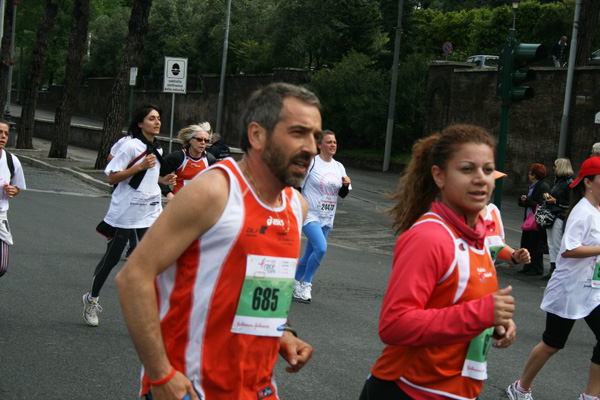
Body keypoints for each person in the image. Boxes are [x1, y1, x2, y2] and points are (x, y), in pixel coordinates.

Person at [115, 82, 320, 400]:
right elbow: (133, 277)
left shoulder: (297, 207)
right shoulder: (214, 191)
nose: (312, 148)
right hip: (192, 389)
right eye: (298, 133)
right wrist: (160, 374)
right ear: (257, 136)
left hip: (257, 390)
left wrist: (284, 333)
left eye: (315, 137)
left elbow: (261, 286)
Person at [359, 124, 516, 400]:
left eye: (488, 170)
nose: (481, 178)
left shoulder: (481, 233)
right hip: (408, 390)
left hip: (457, 392)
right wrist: (480, 314)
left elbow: (459, 306)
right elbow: (394, 324)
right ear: (439, 176)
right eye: (467, 169)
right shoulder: (429, 237)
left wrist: (494, 324)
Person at [507, 156, 600, 400]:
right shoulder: (582, 212)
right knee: (553, 343)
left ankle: (590, 396)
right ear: (589, 182)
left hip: (592, 289)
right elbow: (569, 250)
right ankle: (520, 388)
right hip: (569, 289)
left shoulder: (597, 209)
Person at [82, 104, 176, 327]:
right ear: (140, 123)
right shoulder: (131, 147)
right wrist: (140, 166)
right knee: (112, 258)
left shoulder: (158, 148)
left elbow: (149, 177)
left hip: (149, 210)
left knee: (153, 259)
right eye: (152, 118)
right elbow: (112, 178)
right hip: (126, 210)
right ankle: (91, 299)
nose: (157, 122)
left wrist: (163, 181)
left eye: (159, 118)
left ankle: (151, 311)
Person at [293, 130, 351, 302]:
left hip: (327, 215)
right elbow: (297, 186)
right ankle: (307, 284)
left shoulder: (339, 167)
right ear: (319, 145)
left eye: (335, 142)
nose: (333, 145)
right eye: (329, 142)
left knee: (311, 252)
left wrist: (346, 185)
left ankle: (294, 282)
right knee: (321, 247)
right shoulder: (311, 163)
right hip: (309, 214)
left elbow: (342, 194)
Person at [483, 170, 531, 266]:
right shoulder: (454, 214)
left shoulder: (493, 211)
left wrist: (514, 255)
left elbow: (497, 246)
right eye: (489, 181)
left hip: (487, 278)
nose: (493, 186)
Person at [161, 122, 216, 201]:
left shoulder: (210, 159)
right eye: (199, 139)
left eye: (206, 140)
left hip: (199, 204)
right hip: (180, 203)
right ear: (190, 140)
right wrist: (168, 193)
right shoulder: (179, 157)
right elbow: (159, 174)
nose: (203, 143)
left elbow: (215, 182)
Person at [0, 120, 25, 278]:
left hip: (1, 216)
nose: (3, 136)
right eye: (0, 133)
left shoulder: (12, 161)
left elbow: (17, 187)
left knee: (1, 267)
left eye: (6, 134)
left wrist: (12, 190)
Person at [541, 158, 573, 280]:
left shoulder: (569, 183)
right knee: (551, 243)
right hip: (553, 215)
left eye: (555, 166)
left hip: (560, 215)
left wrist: (556, 201)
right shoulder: (558, 182)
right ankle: (553, 267)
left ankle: (559, 269)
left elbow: (571, 202)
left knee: (557, 243)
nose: (553, 168)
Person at [518, 163, 551, 275]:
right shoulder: (534, 187)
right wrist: (523, 201)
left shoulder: (543, 187)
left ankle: (536, 268)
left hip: (536, 220)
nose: (529, 174)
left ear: (534, 174)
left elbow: (541, 205)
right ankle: (528, 266)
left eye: (530, 172)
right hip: (530, 219)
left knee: (534, 244)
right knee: (528, 242)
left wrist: (527, 201)